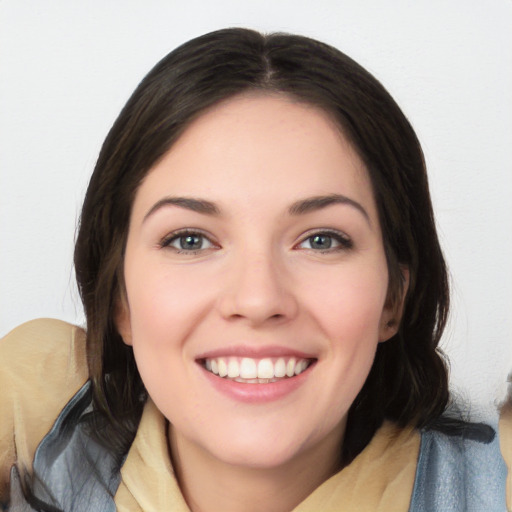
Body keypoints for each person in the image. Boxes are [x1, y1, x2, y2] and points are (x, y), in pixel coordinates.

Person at [0, 28, 507, 511]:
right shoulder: (39, 426)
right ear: (120, 300)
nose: (258, 299)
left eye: (322, 240)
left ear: (394, 297)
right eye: (190, 239)